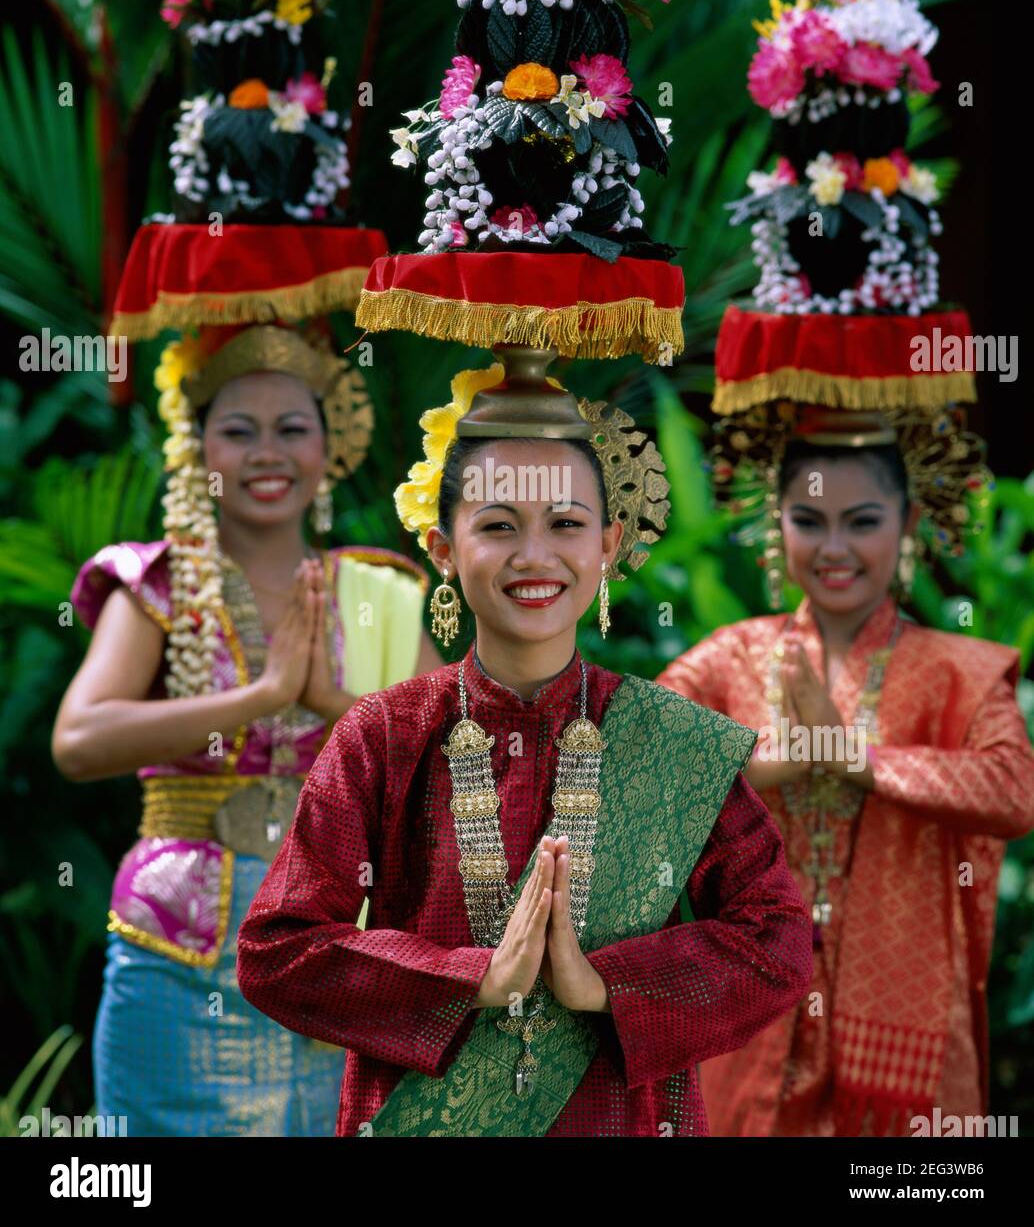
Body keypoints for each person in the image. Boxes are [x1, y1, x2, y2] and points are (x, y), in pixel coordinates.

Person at [235, 357, 813, 1137]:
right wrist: (468, 978)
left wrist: (604, 985)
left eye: (567, 525)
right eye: (499, 526)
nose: (535, 557)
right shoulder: (383, 736)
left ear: (607, 544)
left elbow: (778, 942)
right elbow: (277, 950)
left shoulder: (671, 740)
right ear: (443, 548)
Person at [52, 323, 439, 1136]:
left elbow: (450, 764)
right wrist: (259, 697)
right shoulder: (154, 583)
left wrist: (336, 702)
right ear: (199, 451)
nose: (268, 452)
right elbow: (79, 741)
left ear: (330, 447)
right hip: (179, 950)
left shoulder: (378, 591)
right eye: (239, 430)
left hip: (343, 951)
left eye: (292, 429)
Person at [659, 415, 1034, 1136]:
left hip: (908, 1027)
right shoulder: (729, 658)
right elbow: (641, 757)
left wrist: (857, 760)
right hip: (750, 1009)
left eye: (861, 522)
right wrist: (782, 756)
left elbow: (1013, 792)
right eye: (809, 520)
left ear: (910, 521)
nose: (834, 549)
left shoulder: (961, 672)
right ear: (779, 522)